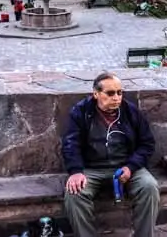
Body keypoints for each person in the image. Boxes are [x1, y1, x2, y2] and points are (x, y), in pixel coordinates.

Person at [62, 72, 160, 237]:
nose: (116, 98)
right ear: (96, 94)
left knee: (149, 187)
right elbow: (70, 144)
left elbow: (147, 144)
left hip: (127, 166)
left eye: (119, 93)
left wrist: (130, 167)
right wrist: (76, 171)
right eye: (110, 93)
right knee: (74, 194)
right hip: (92, 168)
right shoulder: (81, 111)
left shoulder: (130, 112)